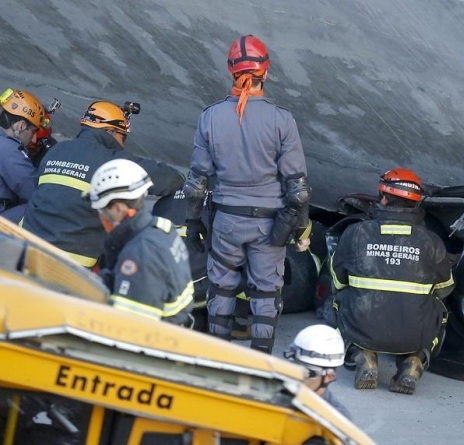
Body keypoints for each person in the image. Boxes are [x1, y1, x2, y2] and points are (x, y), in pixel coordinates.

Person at [183, 34, 312, 355]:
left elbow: (197, 180)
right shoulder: (282, 119)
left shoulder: (210, 117)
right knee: (266, 295)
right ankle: (261, 362)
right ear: (265, 73)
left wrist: (193, 221)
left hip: (225, 221)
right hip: (270, 225)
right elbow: (297, 189)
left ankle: (218, 358)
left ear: (230, 71)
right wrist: (301, 230)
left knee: (222, 288)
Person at [329, 168, 455, 395]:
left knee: (337, 301)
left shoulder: (356, 233)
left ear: (384, 198)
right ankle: (415, 360)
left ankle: (363, 356)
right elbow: (446, 288)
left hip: (363, 328)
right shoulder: (432, 242)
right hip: (414, 334)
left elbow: (338, 281)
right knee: (440, 311)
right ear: (416, 204)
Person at [23, 100, 184, 268]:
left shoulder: (56, 150)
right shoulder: (112, 161)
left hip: (28, 249)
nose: (123, 144)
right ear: (110, 131)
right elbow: (168, 179)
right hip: (73, 264)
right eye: (123, 136)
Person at [86, 158, 194, 325]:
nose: (100, 217)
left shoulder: (139, 254)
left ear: (117, 209)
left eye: (101, 210)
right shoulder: (160, 228)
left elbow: (129, 328)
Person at [0, 88, 49, 223]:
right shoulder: (9, 149)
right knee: (43, 208)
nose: (33, 138)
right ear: (21, 126)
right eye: (33, 131)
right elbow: (32, 189)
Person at [284, 324, 353, 421]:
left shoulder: (337, 420)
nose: (296, 375)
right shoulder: (272, 394)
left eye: (307, 372)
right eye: (293, 366)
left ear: (329, 377)